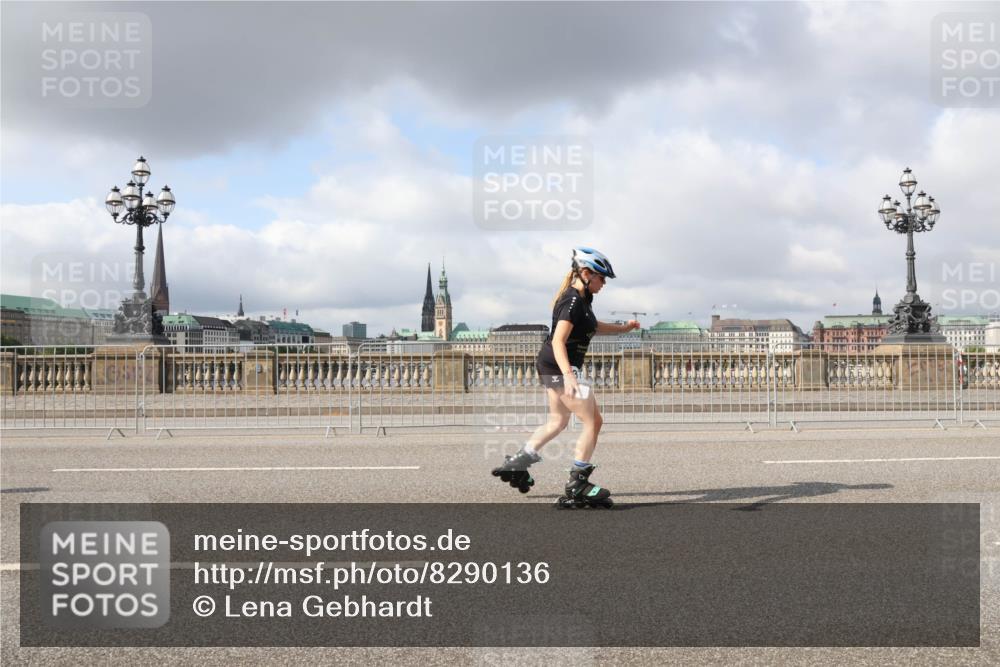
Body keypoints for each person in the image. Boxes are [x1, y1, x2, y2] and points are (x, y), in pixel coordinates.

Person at [491, 247, 640, 508]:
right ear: (585, 273)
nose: (603, 284)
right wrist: (570, 376)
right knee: (593, 421)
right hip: (561, 366)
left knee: (558, 421)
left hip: (552, 365)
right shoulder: (572, 301)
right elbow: (559, 340)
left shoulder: (582, 301)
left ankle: (518, 463)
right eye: (601, 278)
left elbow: (592, 326)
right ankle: (578, 482)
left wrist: (623, 328)